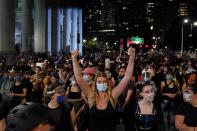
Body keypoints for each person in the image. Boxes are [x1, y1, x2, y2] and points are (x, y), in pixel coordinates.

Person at [71, 47, 135, 131]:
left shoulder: (113, 95)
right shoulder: (91, 95)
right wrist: (74, 59)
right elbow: (79, 78)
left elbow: (127, 77)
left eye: (104, 81)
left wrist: (132, 58)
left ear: (107, 83)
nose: (102, 83)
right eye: (99, 82)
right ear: (95, 84)